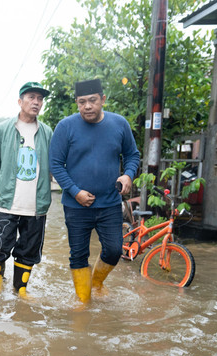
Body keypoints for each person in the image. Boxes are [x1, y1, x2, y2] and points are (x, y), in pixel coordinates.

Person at [49, 78, 140, 305]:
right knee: (78, 254)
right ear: (77, 103)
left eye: (92, 101)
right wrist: (74, 191)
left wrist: (128, 174)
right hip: (76, 204)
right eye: (82, 102)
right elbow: (55, 164)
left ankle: (97, 283)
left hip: (109, 202)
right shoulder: (65, 127)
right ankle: (83, 301)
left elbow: (132, 155)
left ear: (102, 100)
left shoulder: (119, 125)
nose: (87, 106)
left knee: (113, 249)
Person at [0, 82, 54, 297]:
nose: (36, 102)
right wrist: (6, 184)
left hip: (36, 205)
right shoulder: (3, 129)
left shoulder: (47, 132)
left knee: (30, 250)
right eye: (31, 97)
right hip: (8, 202)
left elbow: (50, 165)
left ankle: (21, 290)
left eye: (40, 99)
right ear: (20, 101)